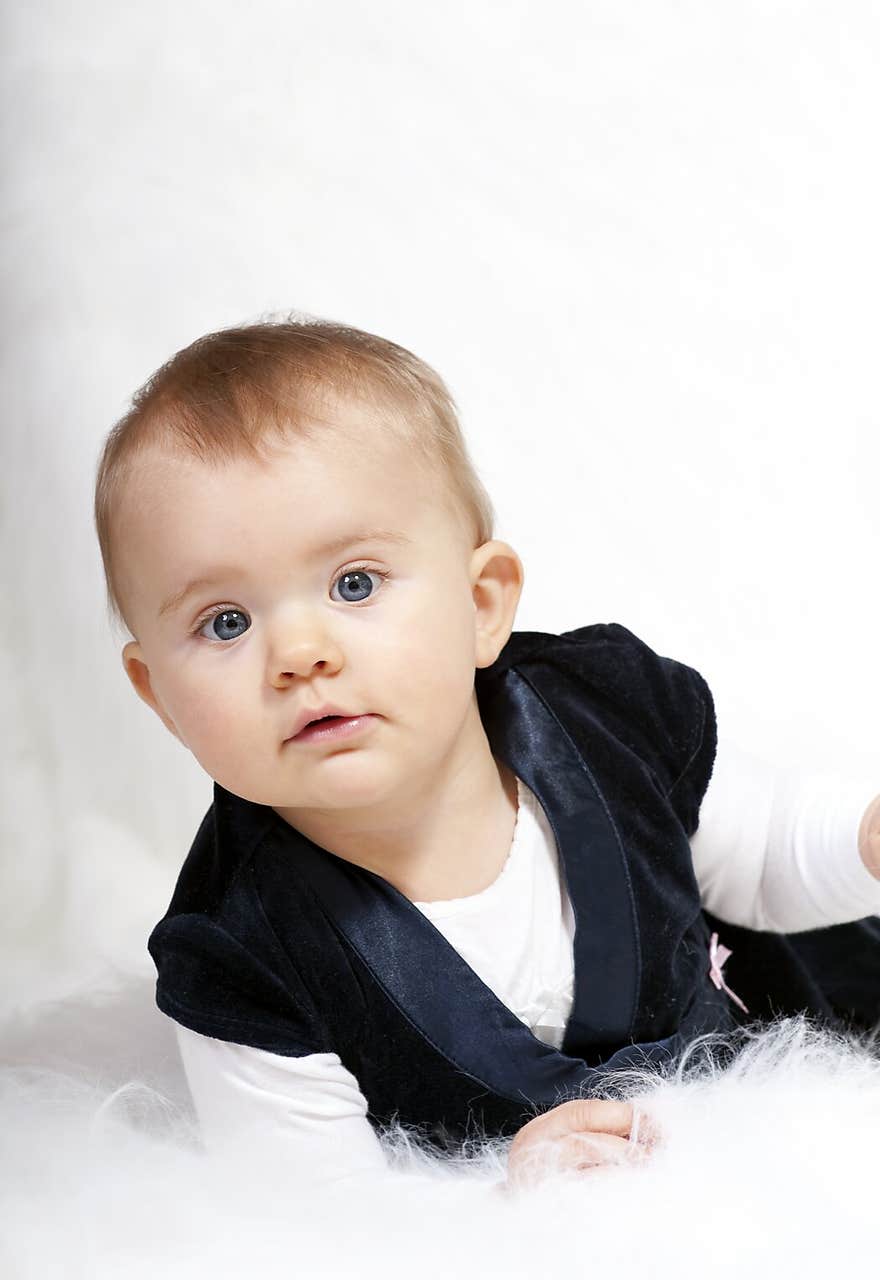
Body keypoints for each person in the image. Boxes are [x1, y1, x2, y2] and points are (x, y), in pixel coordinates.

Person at [93, 318, 880, 1189]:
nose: (298, 653)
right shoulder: (240, 953)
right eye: (225, 623)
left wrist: (865, 839)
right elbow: (318, 1220)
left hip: (786, 1090)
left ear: (481, 604)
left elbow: (759, 858)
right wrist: (499, 1196)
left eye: (355, 583)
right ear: (158, 696)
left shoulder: (598, 712)